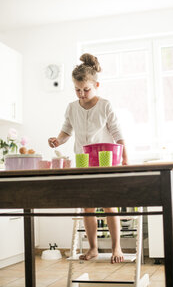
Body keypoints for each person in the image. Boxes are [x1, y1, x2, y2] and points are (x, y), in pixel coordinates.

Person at [48, 53, 128, 263]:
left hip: (106, 162)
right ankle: (92, 248)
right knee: (88, 207)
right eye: (77, 90)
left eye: (86, 89)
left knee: (109, 205)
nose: (81, 94)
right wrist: (58, 140)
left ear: (96, 85)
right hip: (83, 162)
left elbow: (119, 135)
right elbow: (66, 131)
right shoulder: (72, 107)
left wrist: (125, 161)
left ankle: (116, 247)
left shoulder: (105, 105)